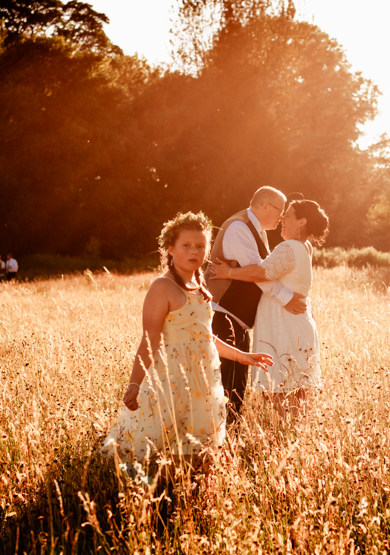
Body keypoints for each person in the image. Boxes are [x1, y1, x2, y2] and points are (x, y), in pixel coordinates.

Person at [102, 212, 273, 468]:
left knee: (200, 450)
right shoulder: (162, 287)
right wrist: (135, 384)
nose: (194, 252)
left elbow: (204, 336)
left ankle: (195, 497)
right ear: (170, 249)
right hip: (172, 378)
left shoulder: (199, 283)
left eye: (201, 246)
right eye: (186, 246)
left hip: (203, 380)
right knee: (156, 449)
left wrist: (243, 356)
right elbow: (149, 340)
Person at [211, 199, 328, 417]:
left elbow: (260, 273)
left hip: (284, 323)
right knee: (296, 388)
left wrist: (228, 273)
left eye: (288, 215)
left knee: (277, 387)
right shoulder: (305, 246)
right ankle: (299, 433)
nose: (282, 219)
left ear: (302, 222)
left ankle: (290, 432)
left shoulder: (288, 247)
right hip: (298, 321)